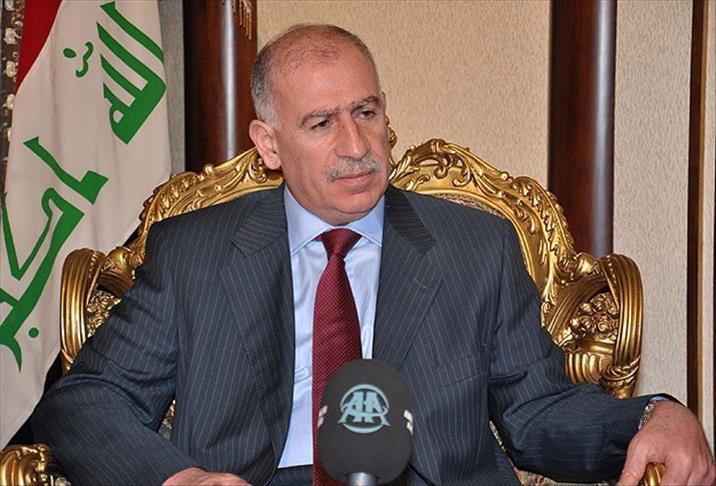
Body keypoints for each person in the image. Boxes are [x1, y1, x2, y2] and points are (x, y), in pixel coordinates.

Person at [33, 24, 714, 486]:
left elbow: (539, 414)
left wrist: (652, 414)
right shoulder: (195, 253)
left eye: (366, 113)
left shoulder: (474, 247)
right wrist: (179, 478)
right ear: (268, 144)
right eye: (321, 123)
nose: (357, 146)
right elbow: (89, 398)